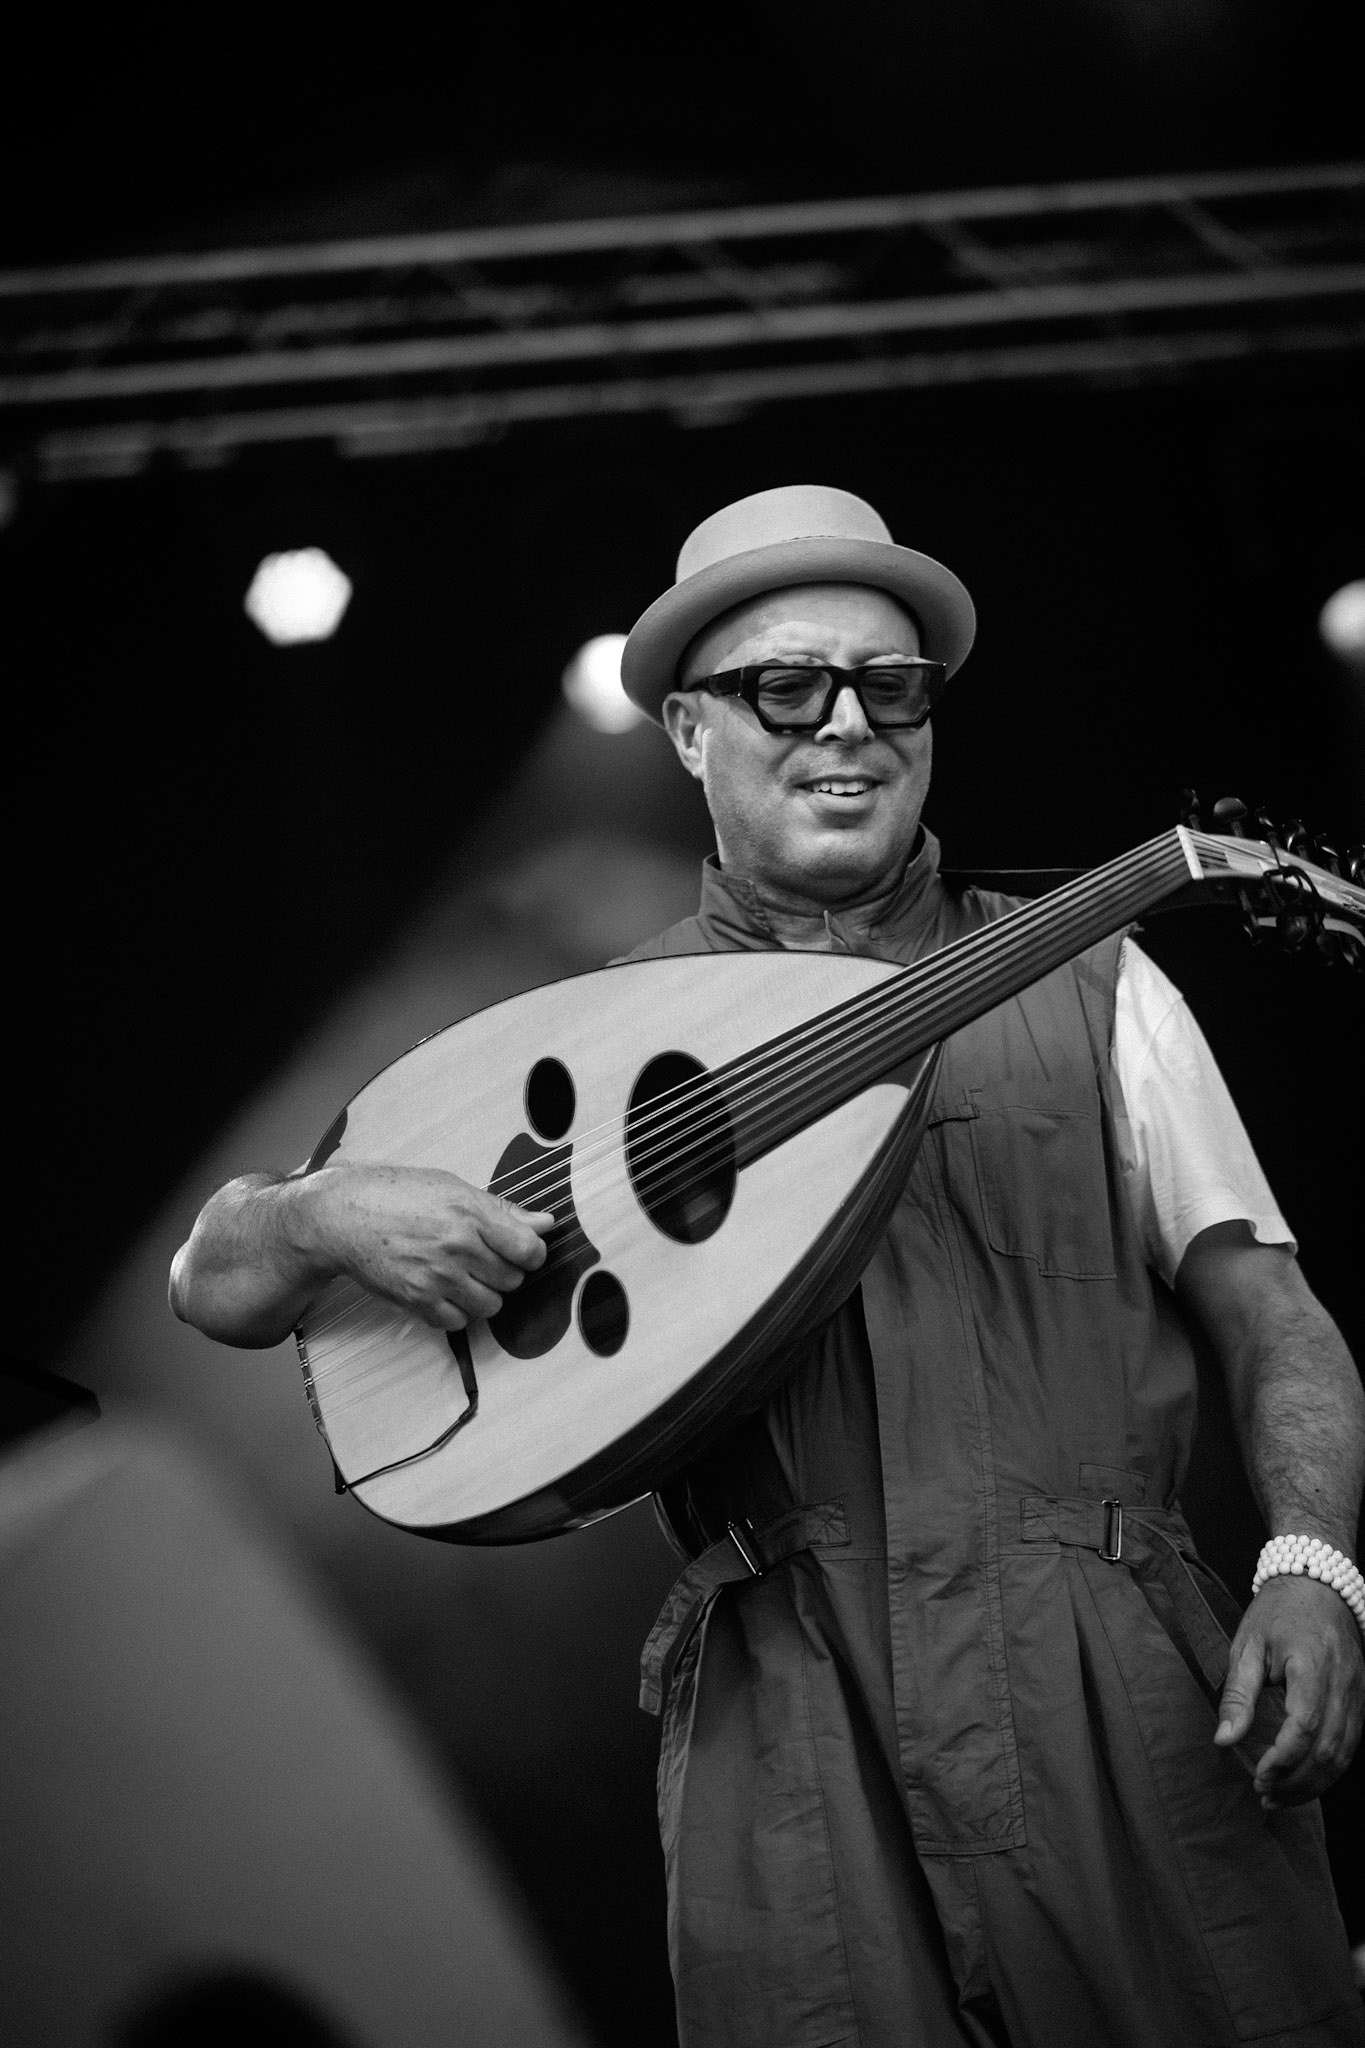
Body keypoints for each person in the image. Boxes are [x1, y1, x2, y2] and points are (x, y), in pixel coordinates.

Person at [171, 485, 1365, 2047]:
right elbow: (223, 1286)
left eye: (892, 689)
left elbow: (1270, 1310)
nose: (846, 729)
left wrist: (1312, 1565)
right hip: (788, 1711)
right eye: (786, 688)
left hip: (1108, 1669)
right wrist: (315, 1214)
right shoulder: (588, 1046)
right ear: (681, 728)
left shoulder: (1096, 982)